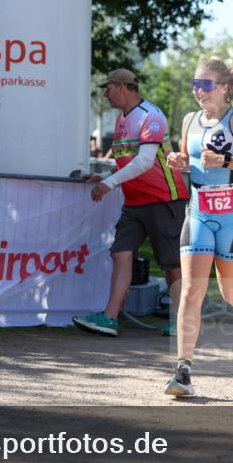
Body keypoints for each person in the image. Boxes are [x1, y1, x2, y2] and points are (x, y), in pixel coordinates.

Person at [163, 57, 233, 396]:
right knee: (191, 291)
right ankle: (183, 371)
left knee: (228, 293)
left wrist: (226, 160)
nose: (199, 91)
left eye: (206, 84)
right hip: (198, 211)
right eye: (196, 84)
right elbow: (188, 158)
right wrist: (178, 162)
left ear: (224, 87)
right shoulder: (189, 120)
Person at [74, 69, 189, 338]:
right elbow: (125, 161)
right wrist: (103, 175)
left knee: (172, 264)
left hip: (165, 199)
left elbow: (146, 161)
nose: (105, 94)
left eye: (108, 88)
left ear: (122, 87)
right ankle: (109, 318)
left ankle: (183, 321)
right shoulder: (122, 119)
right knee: (120, 253)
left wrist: (109, 183)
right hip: (135, 201)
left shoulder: (151, 115)